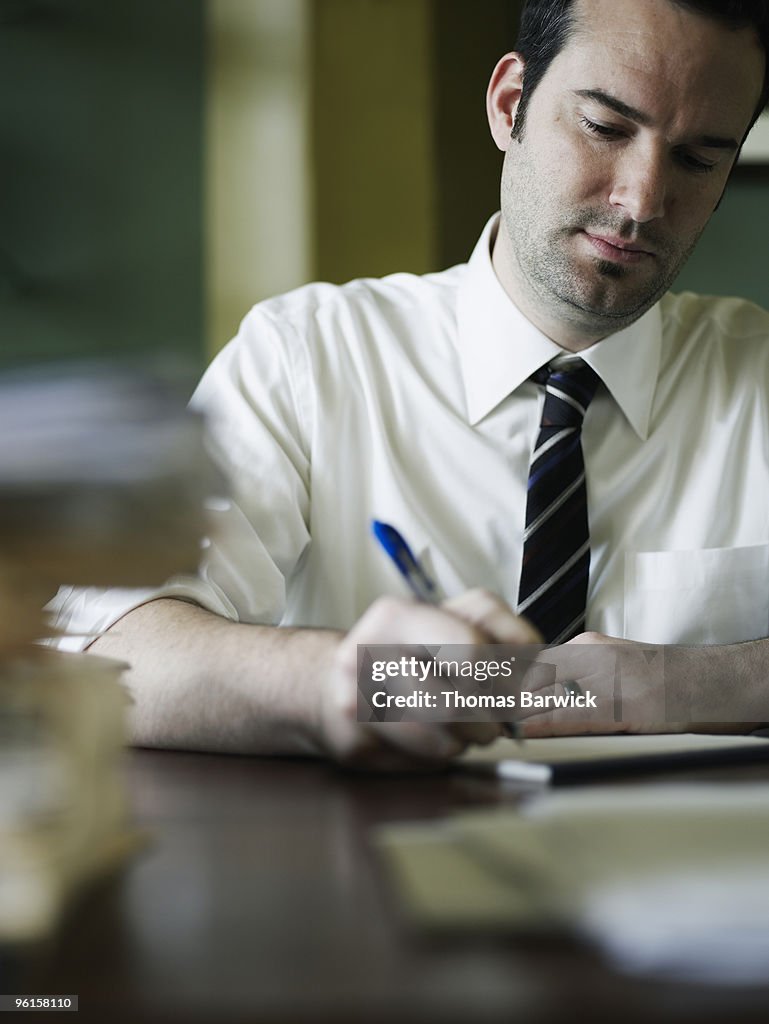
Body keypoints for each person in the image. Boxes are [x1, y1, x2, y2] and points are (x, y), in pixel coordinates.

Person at [49, 0, 769, 766]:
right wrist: (355, 682)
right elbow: (108, 657)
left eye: (696, 159)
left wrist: (671, 684)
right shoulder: (306, 357)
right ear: (508, 105)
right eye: (604, 127)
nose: (639, 201)